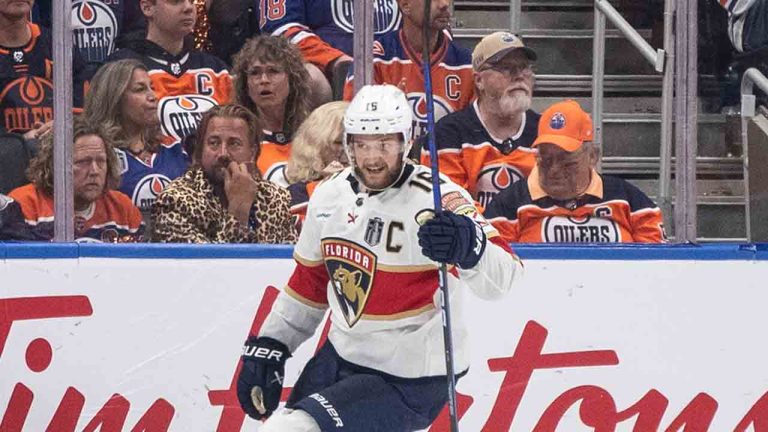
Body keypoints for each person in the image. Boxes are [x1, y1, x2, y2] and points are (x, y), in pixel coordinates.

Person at [235, 85, 522, 431]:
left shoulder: (438, 197)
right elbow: (310, 283)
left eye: (384, 144)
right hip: (343, 354)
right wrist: (272, 343)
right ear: (348, 145)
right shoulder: (330, 196)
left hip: (411, 375)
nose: (372, 158)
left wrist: (468, 245)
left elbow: (507, 277)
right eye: (362, 145)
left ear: (405, 141)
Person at [484, 100, 667, 243]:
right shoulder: (509, 205)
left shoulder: (629, 200)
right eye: (546, 159)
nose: (554, 169)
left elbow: (656, 262)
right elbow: (495, 268)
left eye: (567, 162)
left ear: (593, 156)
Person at [421, 32, 539, 209]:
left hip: (527, 234)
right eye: (506, 68)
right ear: (479, 80)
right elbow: (451, 204)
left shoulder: (545, 132)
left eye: (524, 67)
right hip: (472, 234)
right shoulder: (447, 133)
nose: (519, 75)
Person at [151, 104, 297, 243]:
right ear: (201, 149)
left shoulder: (275, 198)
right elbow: (205, 266)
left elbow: (290, 262)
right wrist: (238, 212)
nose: (223, 153)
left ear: (252, 152)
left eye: (234, 143)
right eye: (214, 143)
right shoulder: (175, 201)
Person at [342, 0, 474, 140]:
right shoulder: (373, 60)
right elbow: (355, 131)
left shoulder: (466, 63)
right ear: (405, 6)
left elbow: (475, 134)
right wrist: (385, 113)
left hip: (449, 159)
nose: (444, 4)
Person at [107, 0, 232, 144]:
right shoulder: (120, 68)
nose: (188, 8)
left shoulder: (217, 69)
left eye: (191, 1)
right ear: (147, 7)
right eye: (175, 1)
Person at [9, 118, 145, 242]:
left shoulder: (123, 209)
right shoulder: (23, 205)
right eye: (83, 162)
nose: (95, 171)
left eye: (101, 161)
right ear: (55, 164)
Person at [84, 59, 190, 216]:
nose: (153, 96)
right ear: (115, 98)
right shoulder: (99, 156)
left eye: (151, 88)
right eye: (140, 90)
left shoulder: (174, 149)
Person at [231, 35, 312, 187]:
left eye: (273, 71)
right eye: (255, 73)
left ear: (292, 79)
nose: (263, 80)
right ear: (245, 83)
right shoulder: (239, 141)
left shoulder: (313, 134)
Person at [256, 0, 400, 81]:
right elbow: (281, 30)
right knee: (307, 77)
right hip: (328, 72)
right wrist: (335, 60)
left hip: (401, 64)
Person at [0, 0, 87, 134]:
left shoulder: (59, 45)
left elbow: (85, 114)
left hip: (57, 147)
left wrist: (62, 126)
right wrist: (18, 143)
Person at [284, 100, 349, 222]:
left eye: (356, 142)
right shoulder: (298, 194)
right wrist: (326, 188)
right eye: (339, 143)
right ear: (316, 146)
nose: (348, 150)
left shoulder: (378, 192)